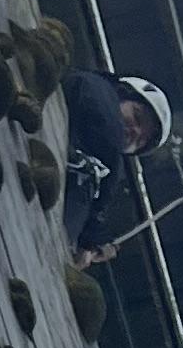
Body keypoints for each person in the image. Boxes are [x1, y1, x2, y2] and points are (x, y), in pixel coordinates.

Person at [62, 68, 171, 254]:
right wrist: (93, 231)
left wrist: (90, 240)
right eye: (137, 116)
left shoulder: (102, 169)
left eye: (141, 140)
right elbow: (106, 124)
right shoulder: (95, 88)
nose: (135, 131)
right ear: (121, 93)